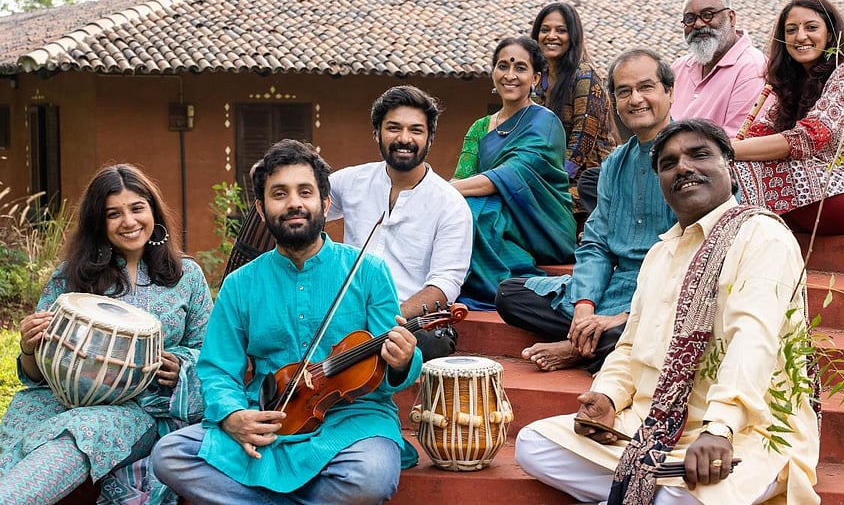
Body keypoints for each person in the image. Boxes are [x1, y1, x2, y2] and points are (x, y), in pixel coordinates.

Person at [516, 118, 820, 504]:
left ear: (729, 164)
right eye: (669, 163)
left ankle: (646, 488)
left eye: (699, 155)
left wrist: (720, 428)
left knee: (680, 499)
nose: (684, 168)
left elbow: (753, 338)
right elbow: (629, 345)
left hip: (746, 433)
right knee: (533, 445)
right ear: (660, 180)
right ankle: (650, 487)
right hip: (650, 427)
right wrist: (607, 396)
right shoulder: (660, 252)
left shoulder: (761, 236)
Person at [152, 139, 422, 505]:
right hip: (270, 418)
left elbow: (390, 371)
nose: (294, 203)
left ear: (325, 203)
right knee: (170, 455)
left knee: (370, 476)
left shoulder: (368, 271)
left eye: (305, 192)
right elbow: (217, 368)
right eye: (279, 194)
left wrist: (403, 360)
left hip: (352, 420)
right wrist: (233, 415)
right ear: (262, 210)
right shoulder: (240, 284)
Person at [0, 164, 213, 505]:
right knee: (16, 438)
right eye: (113, 214)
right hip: (58, 400)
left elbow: (211, 354)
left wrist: (181, 367)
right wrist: (29, 347)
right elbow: (37, 374)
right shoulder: (70, 278)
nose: (128, 222)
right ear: (98, 222)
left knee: (78, 436)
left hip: (139, 408)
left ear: (153, 211)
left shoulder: (186, 275)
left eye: (137, 208)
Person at [496, 49, 677, 373]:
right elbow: (595, 244)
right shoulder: (614, 164)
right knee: (509, 295)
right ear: (614, 102)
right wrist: (584, 307)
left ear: (669, 91)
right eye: (624, 91)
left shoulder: (690, 156)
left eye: (646, 87)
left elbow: (696, 257)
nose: (635, 99)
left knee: (667, 323)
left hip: (663, 295)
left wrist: (623, 316)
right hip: (613, 286)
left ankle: (580, 347)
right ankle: (598, 339)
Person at [328, 85, 473, 361]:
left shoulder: (451, 204)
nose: (404, 138)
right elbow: (307, 205)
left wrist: (385, 317)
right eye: (393, 128)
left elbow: (444, 285)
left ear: (430, 138)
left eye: (416, 130)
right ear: (377, 133)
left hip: (402, 321)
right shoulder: (350, 181)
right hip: (345, 312)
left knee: (429, 344)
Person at [733, 0, 844, 235]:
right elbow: (759, 134)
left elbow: (808, 137)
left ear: (830, 34)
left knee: (747, 169)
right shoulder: (792, 83)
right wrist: (719, 153)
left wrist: (728, 150)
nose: (800, 36)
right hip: (811, 197)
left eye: (811, 27)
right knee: (726, 172)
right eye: (791, 30)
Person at [452, 36, 576, 310]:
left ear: (536, 78)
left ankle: (496, 288)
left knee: (477, 211)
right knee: (462, 210)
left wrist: (439, 190)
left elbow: (512, 173)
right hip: (496, 213)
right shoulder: (480, 127)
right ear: (493, 73)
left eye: (520, 68)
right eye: (503, 66)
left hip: (541, 220)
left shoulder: (545, 123)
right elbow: (461, 178)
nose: (510, 75)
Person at [530, 2, 616, 215]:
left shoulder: (585, 76)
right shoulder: (539, 79)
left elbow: (582, 139)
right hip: (553, 175)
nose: (551, 36)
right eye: (545, 30)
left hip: (590, 180)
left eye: (561, 30)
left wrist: (554, 180)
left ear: (573, 36)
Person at [671, 0, 767, 137]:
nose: (698, 24)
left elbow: (738, 142)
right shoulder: (678, 68)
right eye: (690, 18)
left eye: (707, 15)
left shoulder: (753, 69)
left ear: (731, 18)